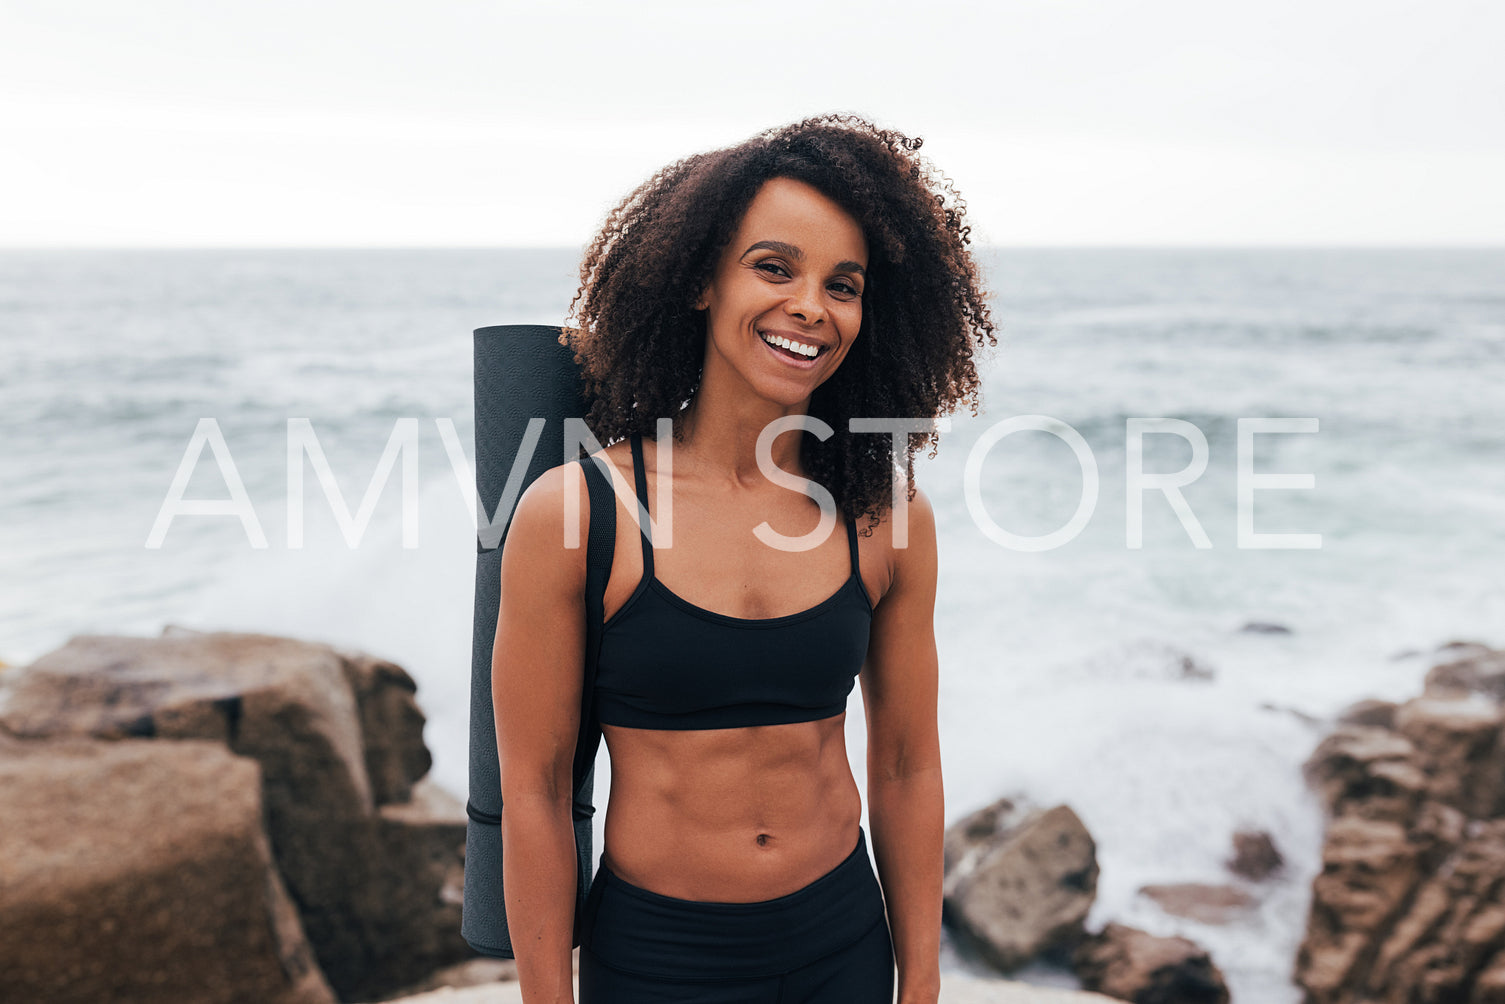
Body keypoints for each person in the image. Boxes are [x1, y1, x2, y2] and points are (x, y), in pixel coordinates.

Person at [494, 114, 996, 1003]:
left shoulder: (884, 518)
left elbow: (908, 761)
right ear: (698, 283)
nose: (810, 305)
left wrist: (919, 981)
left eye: (843, 285)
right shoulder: (576, 514)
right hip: (659, 957)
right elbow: (532, 790)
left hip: (841, 941)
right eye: (774, 268)